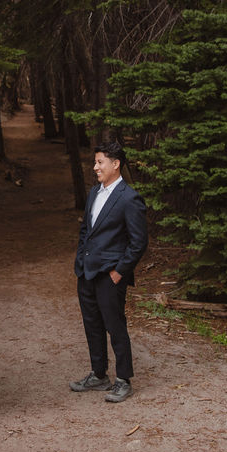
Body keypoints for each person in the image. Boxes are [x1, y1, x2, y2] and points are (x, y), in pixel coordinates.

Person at [71, 141, 148, 402]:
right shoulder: (94, 193)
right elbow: (86, 231)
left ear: (115, 164)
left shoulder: (129, 198)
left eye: (99, 162)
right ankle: (98, 374)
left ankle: (123, 379)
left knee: (115, 327)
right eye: (95, 162)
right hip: (87, 273)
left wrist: (119, 272)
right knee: (92, 325)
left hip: (111, 275)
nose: (95, 167)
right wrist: (80, 261)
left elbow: (138, 242)